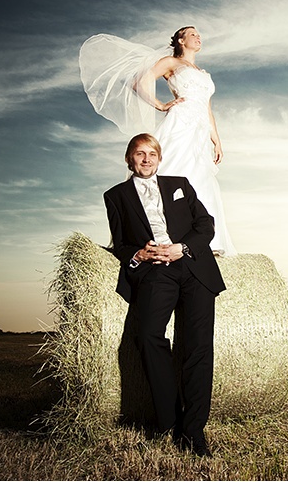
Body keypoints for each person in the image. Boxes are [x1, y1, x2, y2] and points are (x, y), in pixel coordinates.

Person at [104, 133, 225, 457]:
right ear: (129, 159)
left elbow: (206, 226)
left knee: (199, 348)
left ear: (159, 159)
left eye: (152, 154)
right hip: (156, 272)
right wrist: (139, 255)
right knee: (147, 336)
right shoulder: (115, 196)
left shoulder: (179, 184)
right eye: (139, 154)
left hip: (193, 267)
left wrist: (181, 248)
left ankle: (193, 431)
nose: (146, 159)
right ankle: (169, 419)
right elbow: (121, 243)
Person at [80, 27, 237, 256]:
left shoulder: (202, 73)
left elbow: (207, 108)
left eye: (198, 34)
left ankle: (204, 242)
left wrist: (216, 139)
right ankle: (156, 233)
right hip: (180, 123)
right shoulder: (171, 62)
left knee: (200, 178)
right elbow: (138, 82)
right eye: (192, 34)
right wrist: (161, 105)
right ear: (181, 40)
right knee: (173, 171)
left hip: (200, 131)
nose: (198, 36)